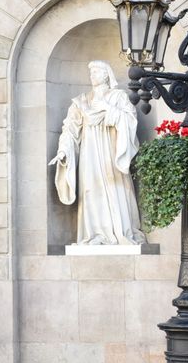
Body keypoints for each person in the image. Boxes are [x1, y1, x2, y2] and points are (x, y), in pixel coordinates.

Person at [48, 60, 146, 246]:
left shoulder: (118, 97)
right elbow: (69, 129)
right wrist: (63, 151)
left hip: (111, 152)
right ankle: (95, 235)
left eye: (96, 71)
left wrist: (107, 108)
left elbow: (129, 119)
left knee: (114, 187)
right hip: (89, 154)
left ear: (106, 75)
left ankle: (119, 233)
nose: (92, 75)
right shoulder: (81, 101)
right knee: (91, 190)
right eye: (90, 72)